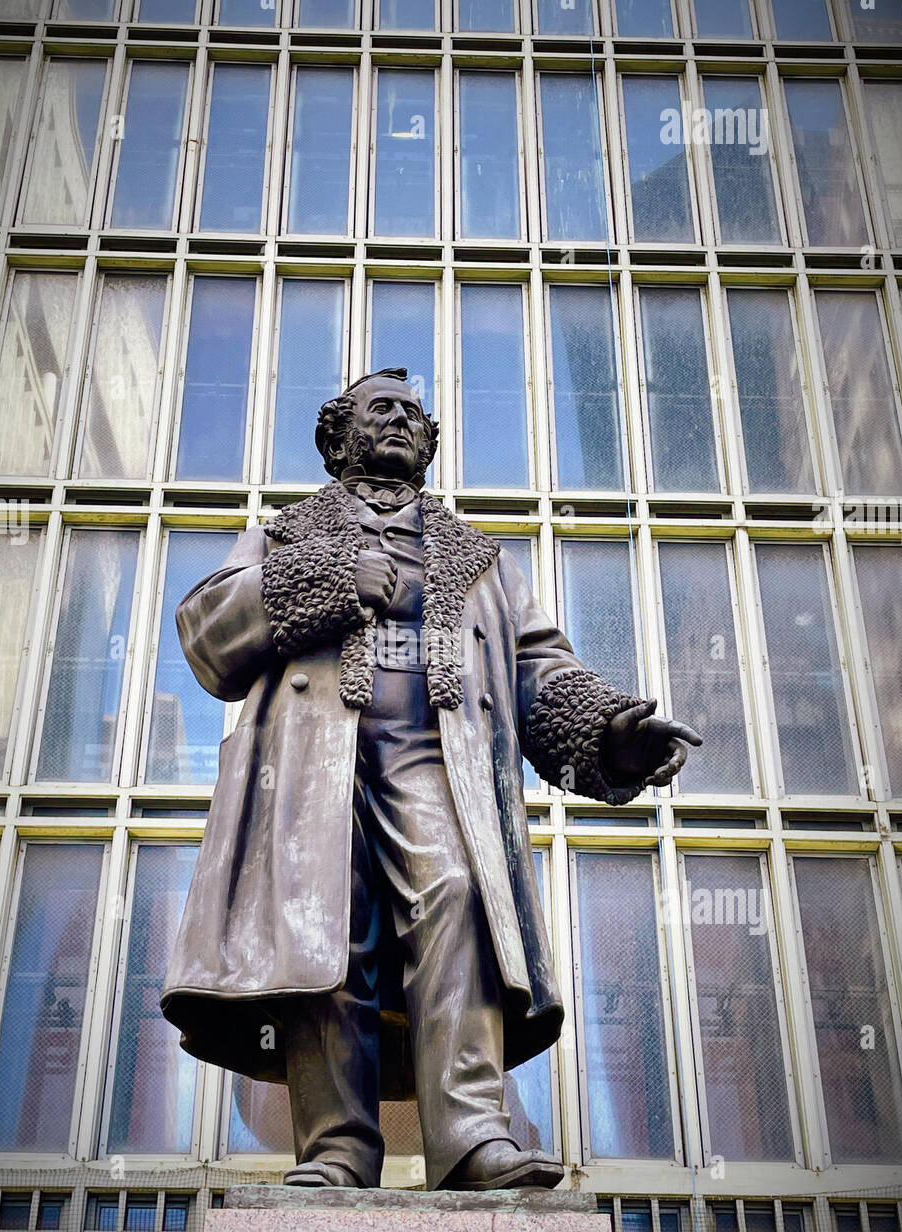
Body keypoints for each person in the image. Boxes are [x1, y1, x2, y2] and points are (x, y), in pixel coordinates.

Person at [161, 366, 701, 1190]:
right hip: (313, 771)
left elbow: (539, 669)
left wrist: (606, 732)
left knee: (455, 893)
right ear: (337, 436)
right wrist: (331, 582)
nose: (401, 424)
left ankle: (473, 1135)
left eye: (415, 416)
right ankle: (336, 1147)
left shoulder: (479, 560)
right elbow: (206, 635)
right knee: (325, 932)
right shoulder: (285, 534)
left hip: (433, 762)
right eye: (382, 411)